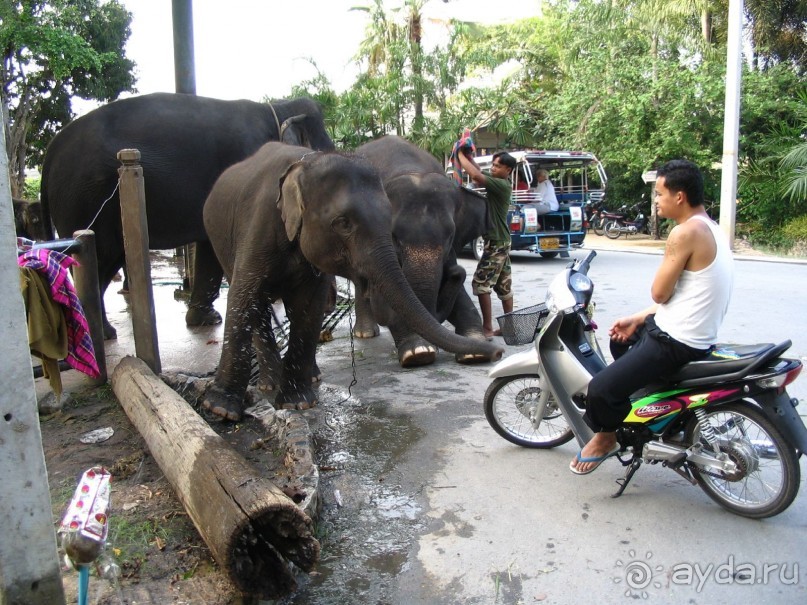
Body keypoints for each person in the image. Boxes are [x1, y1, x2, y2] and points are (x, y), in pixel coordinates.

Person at [570, 159, 733, 475]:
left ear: (679, 196)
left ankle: (606, 438)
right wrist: (638, 318)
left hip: (676, 340)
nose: (655, 201)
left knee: (600, 391)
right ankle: (651, 413)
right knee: (622, 337)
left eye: (659, 194)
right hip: (690, 331)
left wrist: (649, 311)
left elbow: (660, 293)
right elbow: (686, 296)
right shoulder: (711, 227)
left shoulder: (684, 232)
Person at [455, 149, 516, 338]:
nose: (493, 168)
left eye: (498, 166)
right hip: (502, 241)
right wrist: (469, 157)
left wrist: (458, 155)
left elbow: (474, 175)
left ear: (508, 170)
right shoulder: (499, 180)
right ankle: (510, 328)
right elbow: (477, 171)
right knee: (503, 286)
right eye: (493, 164)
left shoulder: (501, 185)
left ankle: (487, 328)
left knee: (481, 284)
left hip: (496, 243)